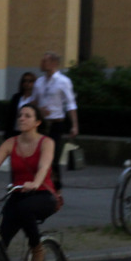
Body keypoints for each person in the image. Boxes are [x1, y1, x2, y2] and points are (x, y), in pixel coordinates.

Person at [0, 103, 59, 257]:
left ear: (37, 122)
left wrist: (35, 183)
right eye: (20, 115)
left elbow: (44, 167)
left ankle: (37, 249)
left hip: (42, 194)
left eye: (27, 116)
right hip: (18, 194)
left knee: (24, 209)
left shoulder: (46, 142)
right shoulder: (11, 143)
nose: (22, 119)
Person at [32, 51, 78, 192]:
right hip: (41, 124)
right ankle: (40, 184)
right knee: (38, 155)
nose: (41, 64)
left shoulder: (63, 81)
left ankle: (56, 187)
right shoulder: (39, 82)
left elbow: (70, 104)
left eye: (44, 61)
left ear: (53, 63)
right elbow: (33, 101)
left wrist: (74, 125)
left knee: (53, 157)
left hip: (56, 123)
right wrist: (38, 109)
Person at [2, 72, 37, 140]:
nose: (27, 83)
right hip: (15, 130)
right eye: (25, 81)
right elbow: (10, 115)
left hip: (29, 132)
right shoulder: (17, 97)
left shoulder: (35, 99)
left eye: (30, 81)